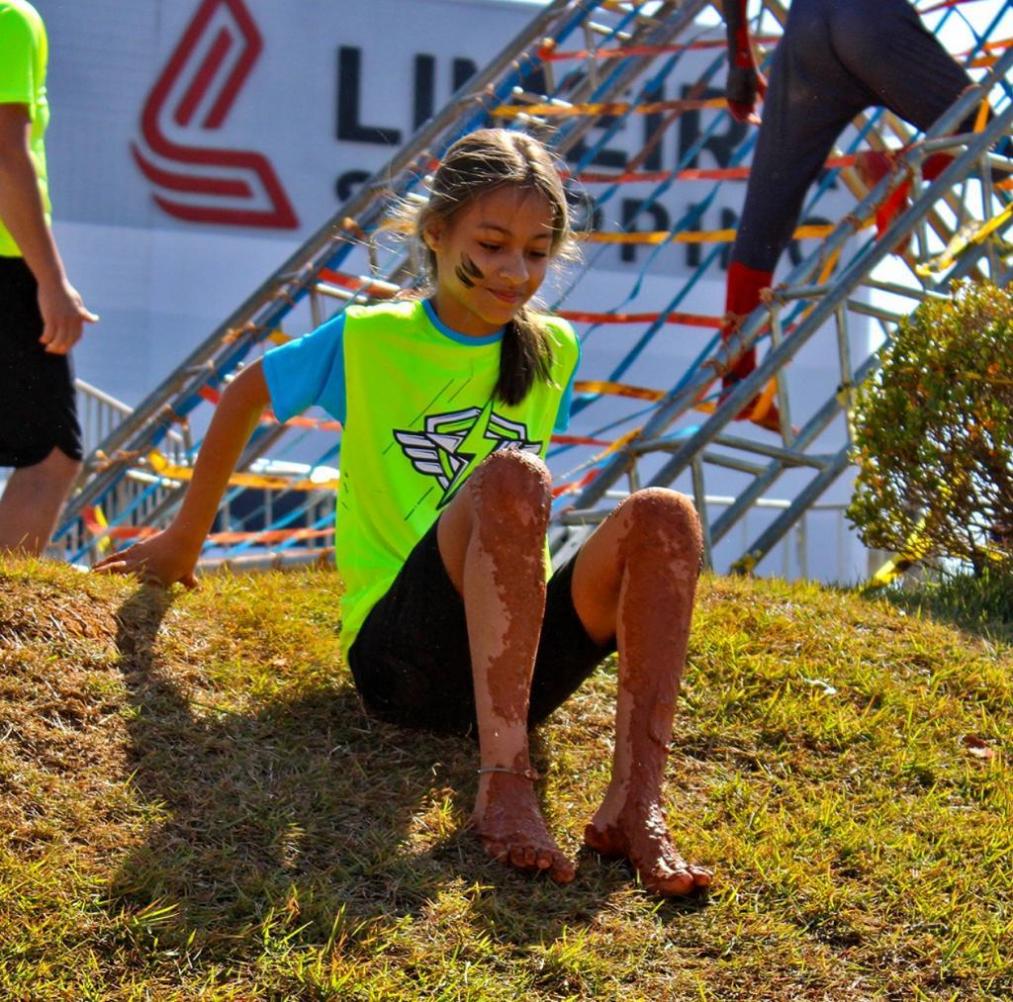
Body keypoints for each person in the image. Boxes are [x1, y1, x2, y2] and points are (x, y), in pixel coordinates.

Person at [94, 129, 713, 896]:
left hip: (517, 661)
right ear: (434, 232)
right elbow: (246, 394)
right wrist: (185, 539)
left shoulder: (551, 348)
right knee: (512, 480)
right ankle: (504, 781)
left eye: (536, 251)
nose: (513, 271)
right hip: (402, 659)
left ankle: (636, 806)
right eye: (490, 244)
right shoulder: (368, 338)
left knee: (665, 515)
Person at [719, 0, 976, 431]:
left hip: (807, 35)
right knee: (995, 138)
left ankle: (737, 376)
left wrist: (741, 58)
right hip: (873, 25)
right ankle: (903, 169)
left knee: (765, 217)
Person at [0, 0, 98, 555]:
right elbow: (8, 156)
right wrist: (52, 280)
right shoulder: (10, 18)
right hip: (4, 263)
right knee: (50, 455)